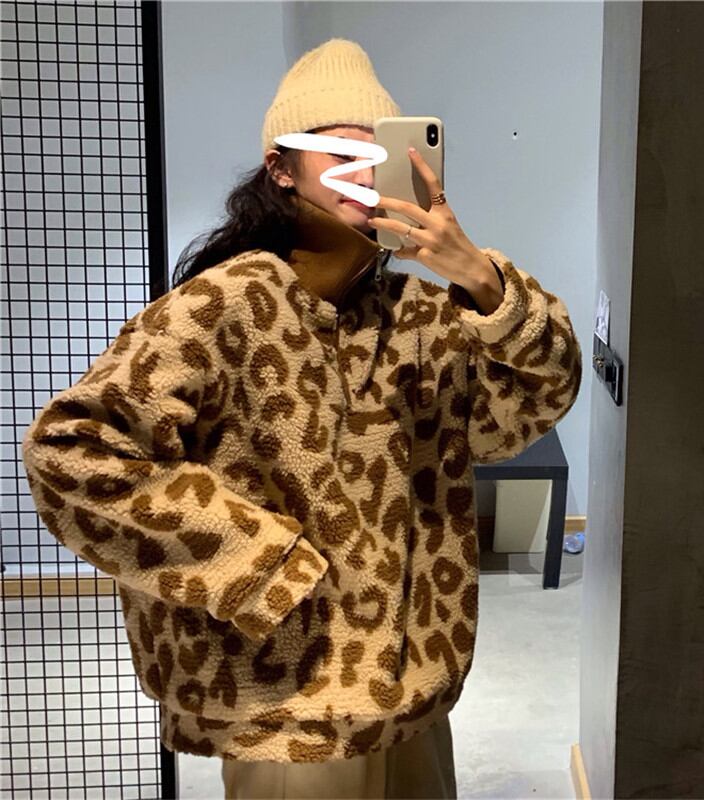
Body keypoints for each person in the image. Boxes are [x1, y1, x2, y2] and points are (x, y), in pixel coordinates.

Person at [21, 38, 582, 800]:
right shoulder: (228, 303)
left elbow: (536, 400)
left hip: (412, 699)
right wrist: (260, 564)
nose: (365, 175)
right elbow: (71, 452)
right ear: (281, 169)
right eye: (340, 155)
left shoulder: (421, 315)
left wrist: (482, 280)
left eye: (382, 156)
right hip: (286, 706)